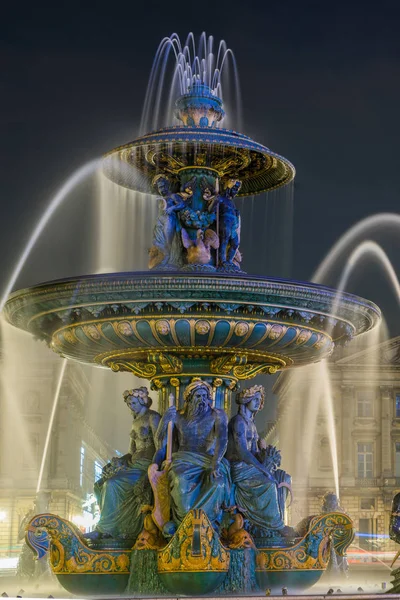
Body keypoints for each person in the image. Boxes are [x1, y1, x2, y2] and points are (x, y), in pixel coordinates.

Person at [85, 387, 161, 541]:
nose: (131, 406)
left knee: (112, 484)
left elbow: (161, 446)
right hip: (133, 464)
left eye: (133, 402)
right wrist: (119, 460)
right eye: (128, 404)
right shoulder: (135, 423)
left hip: (146, 465)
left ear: (142, 401)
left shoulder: (153, 417)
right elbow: (131, 452)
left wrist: (154, 468)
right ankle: (110, 527)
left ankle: (105, 529)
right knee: (100, 484)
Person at [155, 379, 230, 528]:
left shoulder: (218, 415)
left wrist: (216, 463)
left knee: (219, 483)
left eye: (204, 396)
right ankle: (187, 522)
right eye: (197, 396)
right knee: (180, 482)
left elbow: (223, 439)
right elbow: (159, 442)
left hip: (209, 461)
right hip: (183, 461)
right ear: (188, 399)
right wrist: (164, 421)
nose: (202, 400)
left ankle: (207, 524)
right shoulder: (177, 416)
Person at [226, 384, 294, 538]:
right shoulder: (238, 422)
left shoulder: (252, 425)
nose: (258, 403)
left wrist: (266, 457)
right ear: (246, 400)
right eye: (255, 399)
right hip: (239, 468)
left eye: (260, 400)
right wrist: (263, 470)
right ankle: (277, 525)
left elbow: (255, 452)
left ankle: (275, 520)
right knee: (269, 484)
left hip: (249, 467)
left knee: (283, 478)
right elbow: (242, 452)